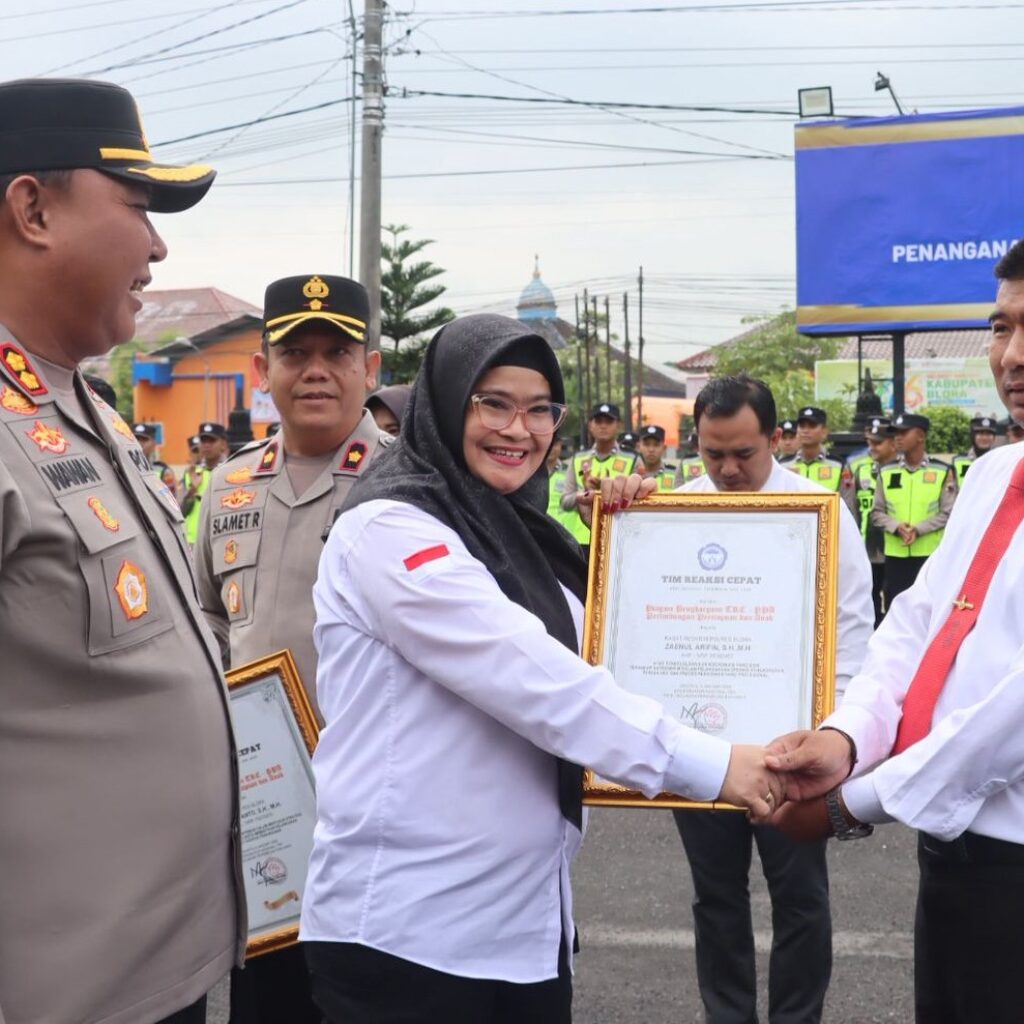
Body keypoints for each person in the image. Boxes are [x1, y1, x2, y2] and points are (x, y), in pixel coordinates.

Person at [300, 315, 783, 1024]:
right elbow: (533, 679)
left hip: (524, 929)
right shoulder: (389, 530)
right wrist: (721, 766)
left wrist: (643, 540)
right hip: (409, 937)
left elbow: (615, 654)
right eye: (492, 402)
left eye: (539, 409)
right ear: (444, 400)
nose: (519, 429)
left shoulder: (518, 533)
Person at [0, 76, 242, 1024]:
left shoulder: (85, 406)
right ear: (32, 208)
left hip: (162, 971)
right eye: (139, 207)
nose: (157, 244)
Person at [766, 237, 1024, 1024]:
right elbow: (918, 623)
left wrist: (855, 803)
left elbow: (1011, 716)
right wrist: (846, 738)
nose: (1011, 357)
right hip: (957, 860)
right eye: (1002, 326)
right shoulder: (990, 475)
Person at [196, 274, 391, 1024]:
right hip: (264, 806)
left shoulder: (410, 484)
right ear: (261, 370)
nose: (315, 369)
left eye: (337, 352)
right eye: (295, 351)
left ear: (369, 369)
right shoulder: (230, 484)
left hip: (372, 805)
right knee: (268, 1001)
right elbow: (210, 621)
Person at [671, 375, 873, 1024]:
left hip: (794, 745)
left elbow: (849, 633)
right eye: (712, 454)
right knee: (716, 897)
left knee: (801, 898)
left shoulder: (819, 510)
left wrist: (831, 735)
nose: (728, 470)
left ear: (776, 439)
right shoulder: (674, 510)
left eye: (744, 454)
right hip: (706, 740)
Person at [872, 411, 956, 605]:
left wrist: (919, 529)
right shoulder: (886, 471)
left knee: (931, 610)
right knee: (895, 609)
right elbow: (876, 512)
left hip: (931, 556)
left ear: (921, 436)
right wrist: (896, 526)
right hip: (895, 556)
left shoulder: (942, 471)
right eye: (896, 433)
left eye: (904, 432)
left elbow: (949, 512)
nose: (898, 437)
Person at [560, 401, 639, 547]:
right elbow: (564, 502)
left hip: (618, 540)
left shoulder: (633, 459)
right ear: (590, 425)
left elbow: (639, 504)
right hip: (582, 540)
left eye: (609, 421)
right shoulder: (578, 459)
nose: (603, 425)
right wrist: (586, 492)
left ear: (619, 425)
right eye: (598, 421)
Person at [844, 416, 898, 626]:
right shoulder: (860, 470)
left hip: (896, 547)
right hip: (867, 546)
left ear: (893, 443)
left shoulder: (900, 471)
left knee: (894, 599)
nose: (872, 447)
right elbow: (853, 509)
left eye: (878, 443)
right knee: (869, 599)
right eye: (869, 442)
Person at [182, 419, 228, 544]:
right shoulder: (191, 472)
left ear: (223, 444)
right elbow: (182, 511)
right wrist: (193, 490)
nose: (207, 445)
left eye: (212, 441)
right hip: (194, 541)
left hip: (220, 540)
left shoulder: (230, 472)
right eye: (203, 441)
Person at [779, 406, 843, 491]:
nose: (805, 431)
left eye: (812, 426)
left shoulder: (838, 465)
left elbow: (847, 502)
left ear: (824, 431)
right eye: (802, 426)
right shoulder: (783, 466)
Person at [952, 414, 1000, 484]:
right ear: (973, 435)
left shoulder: (1000, 460)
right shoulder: (958, 461)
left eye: (988, 434)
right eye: (980, 433)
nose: (984, 438)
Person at [636, 423, 678, 490]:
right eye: (646, 444)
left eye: (656, 445)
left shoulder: (675, 474)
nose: (651, 449)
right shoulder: (631, 473)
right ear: (638, 447)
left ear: (664, 448)